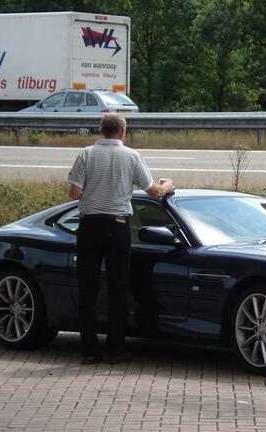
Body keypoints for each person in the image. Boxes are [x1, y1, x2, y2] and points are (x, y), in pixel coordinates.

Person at [67, 113, 174, 365]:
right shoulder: (132, 156)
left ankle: (89, 350)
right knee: (118, 287)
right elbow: (154, 192)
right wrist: (168, 184)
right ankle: (115, 349)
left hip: (90, 226)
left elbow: (74, 193)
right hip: (117, 228)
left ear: (101, 131)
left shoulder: (86, 154)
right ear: (123, 132)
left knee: (87, 288)